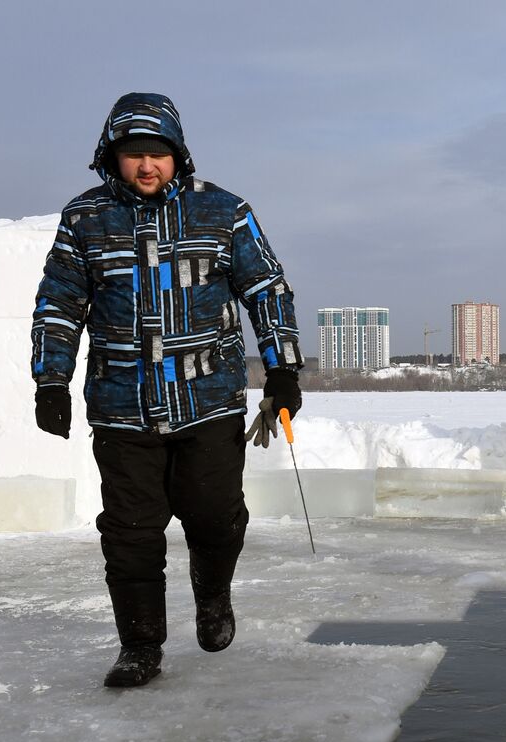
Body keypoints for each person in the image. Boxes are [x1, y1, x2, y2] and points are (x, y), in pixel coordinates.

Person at [31, 92, 304, 688]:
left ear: (178, 156)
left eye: (158, 153)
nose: (146, 165)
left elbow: (267, 290)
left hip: (207, 401)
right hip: (121, 407)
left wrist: (282, 370)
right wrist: (50, 381)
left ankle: (213, 598)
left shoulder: (224, 212)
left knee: (212, 516)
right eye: (133, 155)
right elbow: (59, 304)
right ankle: (140, 646)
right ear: (112, 158)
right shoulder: (85, 218)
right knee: (131, 532)